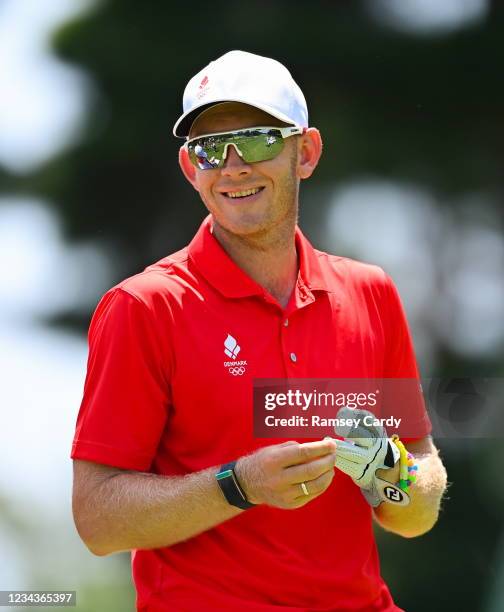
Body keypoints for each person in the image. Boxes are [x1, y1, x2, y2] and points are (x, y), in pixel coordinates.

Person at [71, 50, 448, 611]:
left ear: (307, 152)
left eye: (256, 141)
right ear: (189, 168)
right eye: (208, 150)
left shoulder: (370, 292)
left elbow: (414, 511)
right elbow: (98, 520)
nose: (232, 166)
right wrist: (238, 485)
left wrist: (390, 474)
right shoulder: (145, 306)